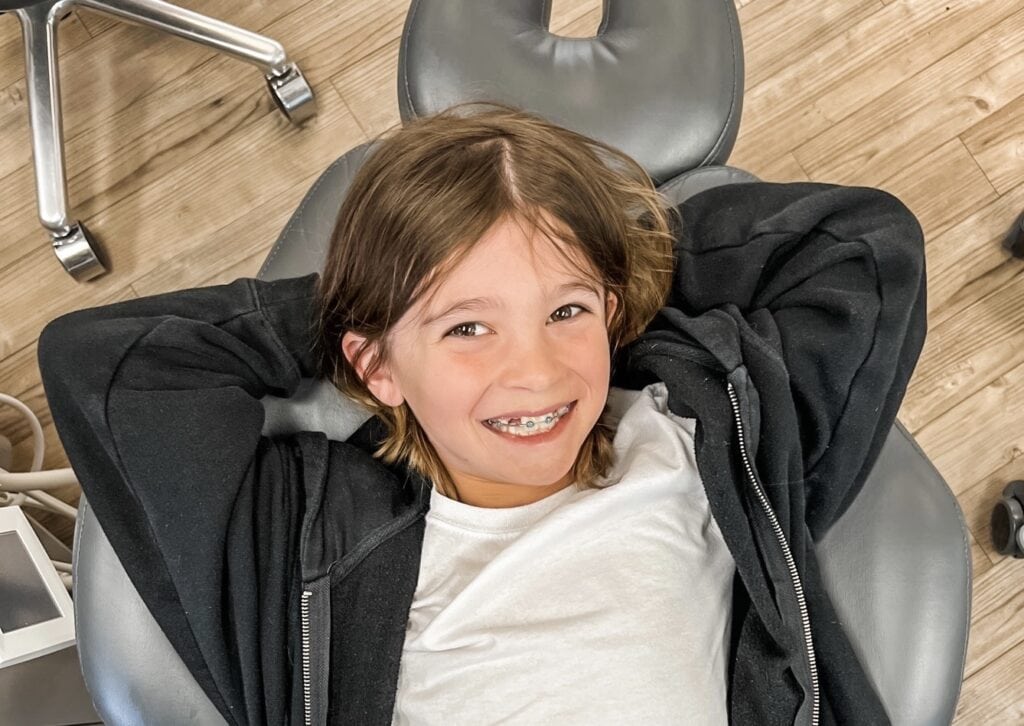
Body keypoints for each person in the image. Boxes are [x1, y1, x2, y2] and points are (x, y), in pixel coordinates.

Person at [39, 101, 927, 725]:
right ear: (376, 366)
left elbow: (862, 247)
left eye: (567, 313)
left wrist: (609, 257)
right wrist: (385, 298)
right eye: (468, 327)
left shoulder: (691, 437)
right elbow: (112, 361)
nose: (535, 373)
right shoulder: (309, 536)